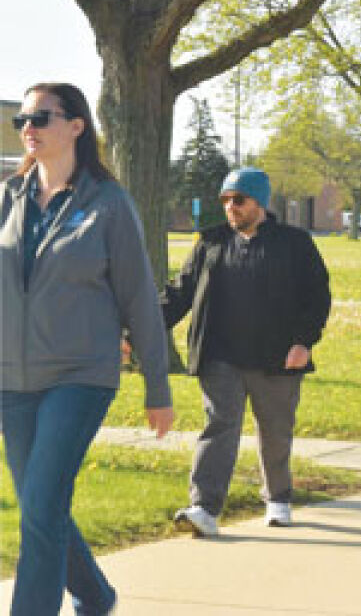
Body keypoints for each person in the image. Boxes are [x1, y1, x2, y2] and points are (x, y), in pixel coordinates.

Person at [1, 82, 174, 614]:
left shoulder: (108, 204)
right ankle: (96, 595)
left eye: (42, 117)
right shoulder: (9, 196)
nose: (29, 127)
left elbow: (139, 297)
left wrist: (158, 387)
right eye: (22, 120)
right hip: (11, 380)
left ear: (77, 126)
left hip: (80, 376)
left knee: (42, 506)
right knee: (39, 506)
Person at [162, 167, 331, 537]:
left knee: (275, 430)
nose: (230, 207)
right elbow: (180, 293)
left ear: (260, 202)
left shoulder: (294, 243)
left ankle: (278, 499)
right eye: (225, 200)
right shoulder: (211, 243)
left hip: (278, 356)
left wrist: (304, 342)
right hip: (220, 356)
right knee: (220, 425)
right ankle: (204, 508)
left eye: (239, 200)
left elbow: (317, 297)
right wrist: (140, 331)